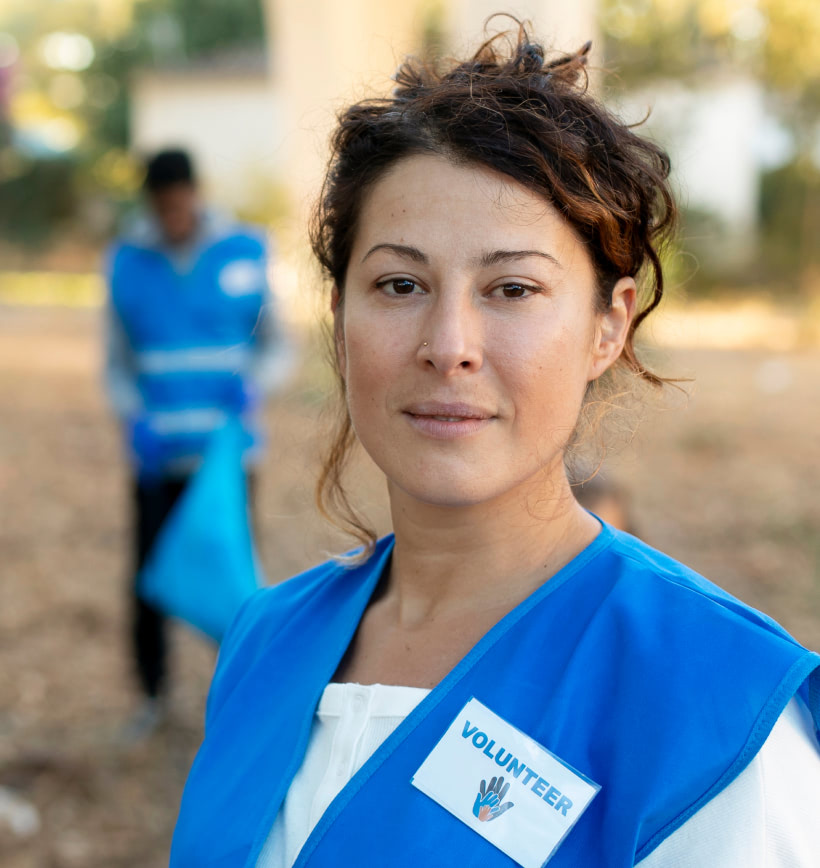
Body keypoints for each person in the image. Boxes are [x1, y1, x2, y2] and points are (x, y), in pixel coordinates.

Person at [170, 23, 820, 867]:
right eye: (399, 284)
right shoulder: (267, 641)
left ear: (609, 325)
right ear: (339, 316)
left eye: (512, 288)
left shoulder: (715, 709)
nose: (449, 346)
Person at [104, 148, 293, 736]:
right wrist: (132, 416)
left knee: (232, 578)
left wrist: (256, 384)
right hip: (158, 455)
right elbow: (116, 364)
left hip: (226, 458)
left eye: (180, 205)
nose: (173, 217)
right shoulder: (126, 262)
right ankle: (151, 698)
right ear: (150, 204)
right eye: (162, 208)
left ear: (195, 193)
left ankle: (236, 698)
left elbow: (278, 346)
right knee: (150, 577)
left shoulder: (245, 250)